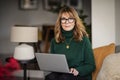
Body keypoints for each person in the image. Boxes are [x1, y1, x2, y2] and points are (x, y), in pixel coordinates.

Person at [45, 6, 96, 80]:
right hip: (62, 74)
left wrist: (78, 70)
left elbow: (91, 65)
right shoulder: (54, 41)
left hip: (80, 75)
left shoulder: (84, 40)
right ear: (60, 22)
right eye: (63, 19)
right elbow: (54, 64)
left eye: (70, 19)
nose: (67, 22)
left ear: (75, 21)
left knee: (64, 78)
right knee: (49, 77)